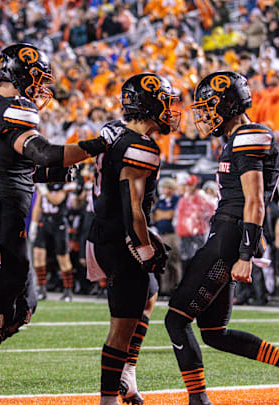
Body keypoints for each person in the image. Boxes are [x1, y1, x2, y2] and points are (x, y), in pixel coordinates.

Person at [0, 43, 109, 405]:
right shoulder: (16, 107)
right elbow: (42, 152)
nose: (41, 87)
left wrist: (50, 171)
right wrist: (98, 145)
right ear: (23, 76)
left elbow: (11, 162)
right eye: (39, 78)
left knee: (24, 304)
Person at [166, 71, 279, 405]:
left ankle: (198, 400)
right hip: (227, 231)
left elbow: (255, 200)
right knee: (214, 333)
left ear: (227, 104)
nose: (203, 115)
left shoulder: (250, 135)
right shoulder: (239, 136)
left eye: (208, 106)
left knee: (176, 320)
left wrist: (245, 255)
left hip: (231, 234)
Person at [86, 72, 179, 405]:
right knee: (122, 325)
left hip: (101, 228)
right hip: (119, 236)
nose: (170, 109)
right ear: (149, 104)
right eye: (165, 101)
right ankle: (108, 398)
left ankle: (127, 374)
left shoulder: (112, 131)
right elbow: (133, 209)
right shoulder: (141, 147)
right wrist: (144, 248)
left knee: (150, 293)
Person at [32, 182, 75, 301]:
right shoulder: (44, 183)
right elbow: (38, 205)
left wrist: (45, 191)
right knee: (38, 255)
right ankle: (41, 289)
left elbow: (57, 200)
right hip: (45, 221)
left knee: (63, 258)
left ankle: (68, 290)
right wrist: (34, 224)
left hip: (59, 223)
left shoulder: (64, 182)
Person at [153, 177, 181, 295]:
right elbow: (155, 216)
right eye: (164, 187)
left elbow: (172, 214)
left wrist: (162, 214)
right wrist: (164, 215)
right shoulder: (161, 201)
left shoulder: (177, 200)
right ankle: (165, 289)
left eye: (168, 187)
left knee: (174, 261)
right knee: (164, 262)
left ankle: (178, 286)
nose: (166, 190)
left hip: (173, 234)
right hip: (161, 234)